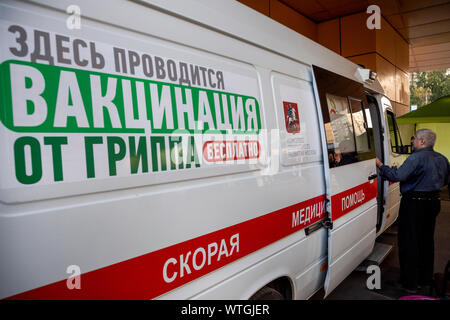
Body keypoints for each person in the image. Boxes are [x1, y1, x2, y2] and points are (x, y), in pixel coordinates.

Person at [376, 129, 450, 293]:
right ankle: (424, 279)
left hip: (414, 204)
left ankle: (409, 283)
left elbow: (397, 176)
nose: (412, 141)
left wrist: (381, 165)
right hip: (433, 203)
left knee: (409, 242)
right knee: (426, 241)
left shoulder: (416, 158)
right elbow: (446, 180)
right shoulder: (442, 159)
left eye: (414, 138)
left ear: (422, 141)